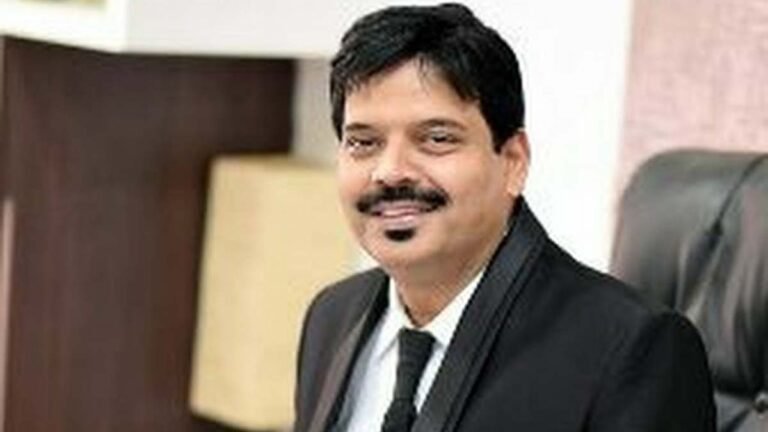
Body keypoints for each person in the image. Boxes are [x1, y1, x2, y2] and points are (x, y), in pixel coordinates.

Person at [293, 4, 715, 432]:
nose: (390, 171)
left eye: (436, 138)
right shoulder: (331, 317)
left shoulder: (631, 347)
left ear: (513, 161)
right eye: (363, 143)